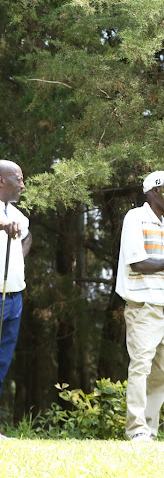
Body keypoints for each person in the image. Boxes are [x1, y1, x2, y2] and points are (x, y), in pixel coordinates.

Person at [115, 171, 164, 442]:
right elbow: (137, 263)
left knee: (162, 373)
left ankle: (149, 430)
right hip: (142, 304)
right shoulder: (135, 218)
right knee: (141, 367)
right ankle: (136, 429)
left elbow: (160, 267)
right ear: (153, 192)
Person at [0, 160, 31, 441]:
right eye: (17, 179)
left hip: (14, 295)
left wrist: (19, 255)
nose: (22, 185)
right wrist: (2, 224)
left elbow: (27, 235)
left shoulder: (19, 215)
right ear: (1, 181)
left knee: (2, 361)